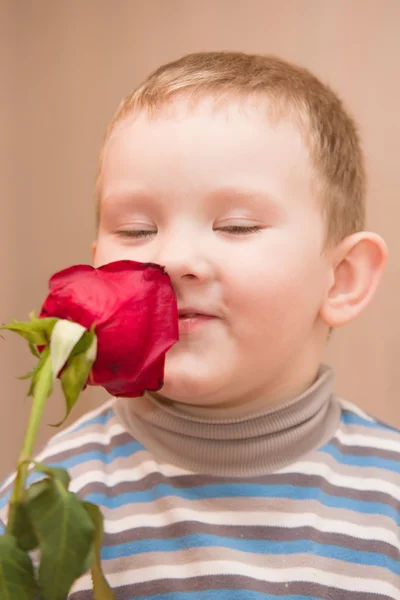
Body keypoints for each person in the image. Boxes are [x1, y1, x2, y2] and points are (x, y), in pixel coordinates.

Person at [1, 51, 398, 599]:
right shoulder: (40, 502)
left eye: (235, 226)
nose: (172, 257)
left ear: (341, 280)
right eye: (137, 231)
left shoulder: (390, 497)